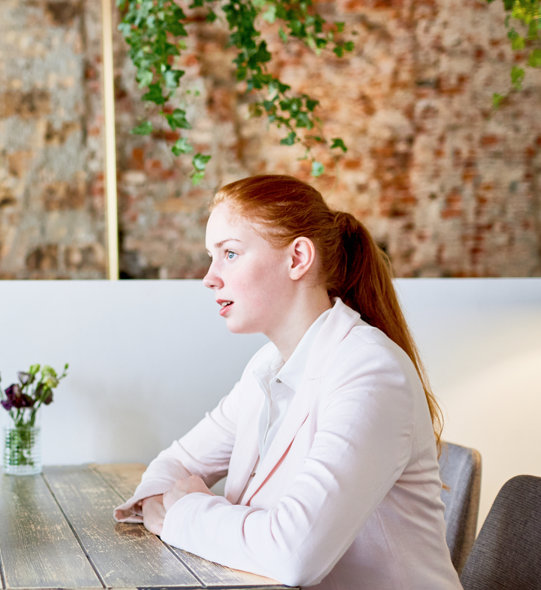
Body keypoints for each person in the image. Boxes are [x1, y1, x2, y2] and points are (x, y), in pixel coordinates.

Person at [113, 175, 462, 589]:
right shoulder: (268, 367)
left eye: (229, 253)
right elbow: (174, 464)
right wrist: (173, 504)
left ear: (298, 258)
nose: (209, 277)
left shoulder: (370, 373)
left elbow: (294, 554)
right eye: (212, 255)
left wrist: (186, 511)